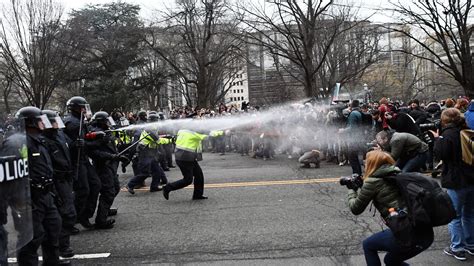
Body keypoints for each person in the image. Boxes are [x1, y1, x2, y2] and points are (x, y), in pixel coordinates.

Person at [347, 150, 433, 266]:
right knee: (391, 261)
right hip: (425, 233)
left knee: (368, 245)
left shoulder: (372, 183)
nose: (364, 163)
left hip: (408, 235)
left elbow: (356, 209)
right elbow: (383, 189)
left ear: (373, 164)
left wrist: (351, 189)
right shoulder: (397, 173)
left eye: (366, 161)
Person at [15, 107, 63, 266]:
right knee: (31, 239)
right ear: (30, 122)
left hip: (46, 195)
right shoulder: (20, 142)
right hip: (31, 198)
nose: (44, 122)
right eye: (40, 119)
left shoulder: (40, 140)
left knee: (52, 231)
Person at [432, 108, 474, 261]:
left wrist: (437, 139)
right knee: (470, 214)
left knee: (454, 215)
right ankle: (471, 244)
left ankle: (457, 247)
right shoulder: (468, 131)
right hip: (471, 177)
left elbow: (441, 155)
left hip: (456, 180)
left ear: (445, 120)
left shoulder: (449, 134)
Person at [42, 110, 76, 258]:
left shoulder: (60, 135)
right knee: (65, 213)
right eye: (54, 121)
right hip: (56, 180)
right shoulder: (44, 141)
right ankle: (62, 246)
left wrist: (78, 144)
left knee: (68, 212)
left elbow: (71, 146)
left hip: (67, 178)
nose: (58, 123)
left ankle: (62, 244)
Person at [63, 96, 101, 230]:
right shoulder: (71, 123)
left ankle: (85, 215)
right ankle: (71, 220)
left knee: (95, 185)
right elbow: (66, 143)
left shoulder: (80, 121)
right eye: (83, 107)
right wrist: (78, 144)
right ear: (77, 108)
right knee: (82, 190)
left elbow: (84, 140)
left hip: (84, 159)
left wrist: (95, 137)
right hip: (76, 161)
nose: (85, 110)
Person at [88, 112, 127, 229]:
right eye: (106, 121)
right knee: (108, 191)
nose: (108, 123)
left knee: (115, 188)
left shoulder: (105, 131)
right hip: (103, 166)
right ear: (101, 122)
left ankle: (105, 209)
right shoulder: (96, 134)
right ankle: (101, 220)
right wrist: (112, 156)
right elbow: (94, 153)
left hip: (110, 165)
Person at [163, 129, 223, 200]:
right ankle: (168, 188)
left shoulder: (182, 131)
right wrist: (222, 131)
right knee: (188, 180)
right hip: (186, 158)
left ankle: (197, 195)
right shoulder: (194, 134)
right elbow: (210, 136)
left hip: (185, 157)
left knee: (199, 175)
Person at [126, 127, 170, 194]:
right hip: (145, 155)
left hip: (151, 154)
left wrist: (167, 136)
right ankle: (130, 185)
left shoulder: (150, 130)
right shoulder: (149, 131)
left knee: (157, 171)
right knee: (145, 173)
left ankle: (154, 187)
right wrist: (170, 140)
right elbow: (158, 140)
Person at [338, 100, 363, 176]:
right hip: (358, 138)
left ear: (351, 105)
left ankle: (356, 174)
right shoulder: (358, 112)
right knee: (355, 157)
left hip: (354, 139)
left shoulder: (353, 114)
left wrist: (342, 130)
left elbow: (352, 128)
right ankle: (359, 174)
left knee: (352, 157)